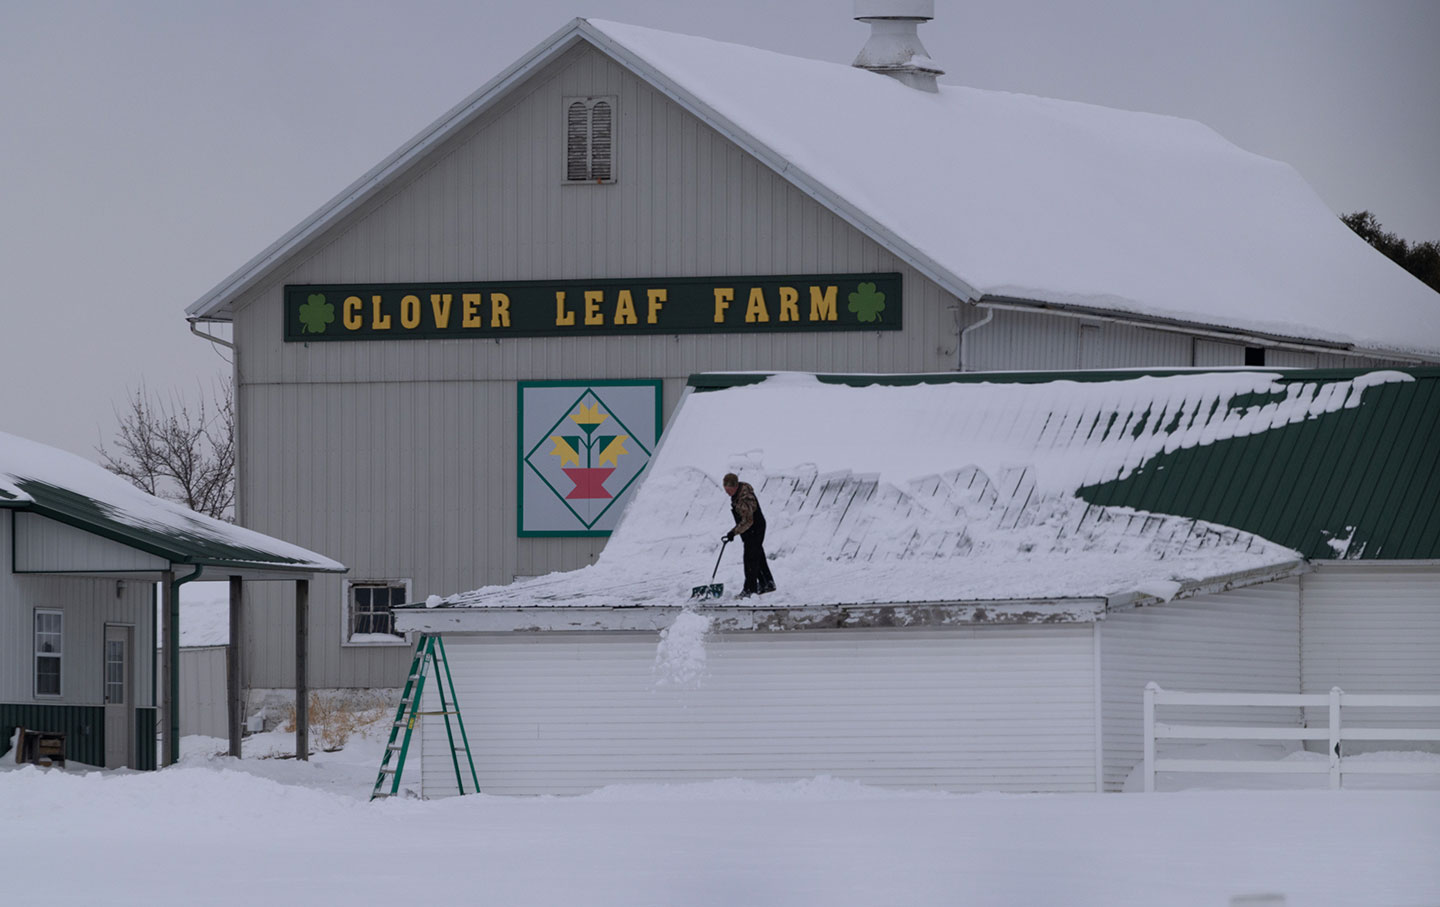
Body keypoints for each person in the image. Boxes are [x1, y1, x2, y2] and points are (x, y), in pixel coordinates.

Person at [722, 472, 776, 597]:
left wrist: (733, 532)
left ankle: (749, 590)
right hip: (750, 529)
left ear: (735, 487)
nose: (727, 493)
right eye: (725, 490)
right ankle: (767, 583)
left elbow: (748, 520)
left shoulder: (745, 498)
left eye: (729, 490)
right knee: (757, 555)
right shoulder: (738, 494)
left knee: (750, 559)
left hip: (754, 528)